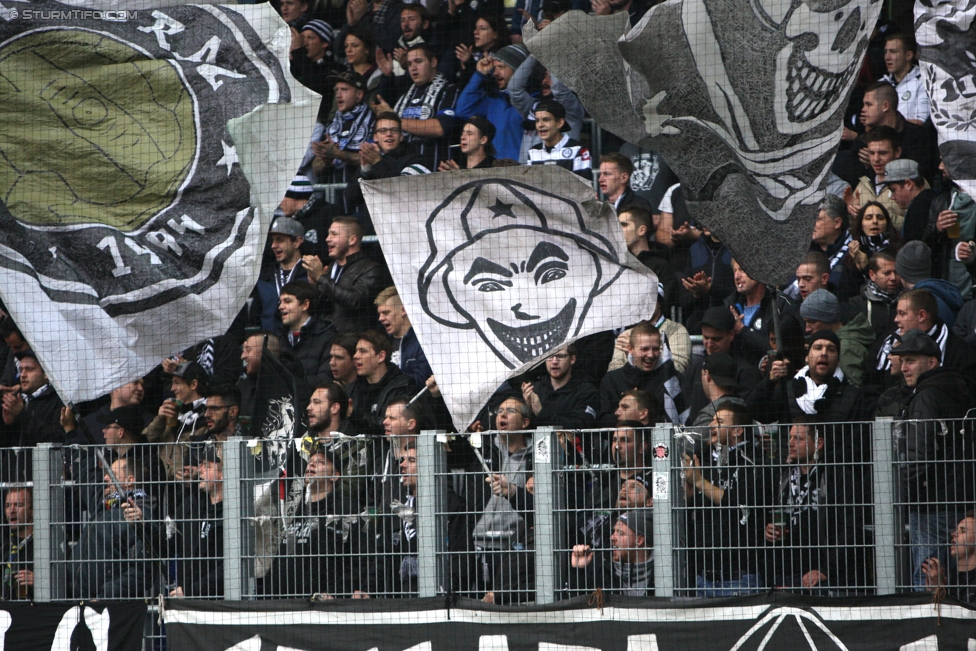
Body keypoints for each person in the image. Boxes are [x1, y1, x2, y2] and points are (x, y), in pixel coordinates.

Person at [890, 329, 973, 590]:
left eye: (911, 360)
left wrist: (911, 496)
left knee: (927, 577)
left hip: (931, 503)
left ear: (932, 362)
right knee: (951, 577)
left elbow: (918, 456)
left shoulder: (926, 396)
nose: (904, 368)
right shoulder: (956, 390)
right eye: (902, 361)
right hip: (957, 497)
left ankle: (930, 629)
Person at [764, 418, 864, 593]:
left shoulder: (836, 476)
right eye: (790, 437)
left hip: (825, 577)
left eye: (798, 439)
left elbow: (850, 527)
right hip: (788, 572)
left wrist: (826, 570)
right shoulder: (785, 477)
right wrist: (769, 531)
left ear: (818, 443)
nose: (790, 443)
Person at [682, 404, 763, 597]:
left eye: (719, 422)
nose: (711, 425)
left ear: (738, 430)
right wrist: (690, 489)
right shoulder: (706, 461)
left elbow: (739, 505)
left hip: (739, 576)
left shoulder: (753, 461)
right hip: (704, 576)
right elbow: (694, 509)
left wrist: (700, 482)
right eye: (712, 420)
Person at [266, 448, 360, 598]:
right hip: (281, 598)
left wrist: (337, 592)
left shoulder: (344, 508)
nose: (312, 465)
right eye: (310, 462)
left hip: (322, 601)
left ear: (335, 476)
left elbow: (355, 556)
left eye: (321, 462)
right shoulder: (293, 506)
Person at [470, 396, 534, 604]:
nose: (502, 415)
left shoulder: (537, 456)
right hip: (478, 545)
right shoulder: (483, 449)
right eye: (499, 411)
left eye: (510, 411)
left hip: (515, 548)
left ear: (525, 422)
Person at [73, 453, 156, 599]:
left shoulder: (140, 513)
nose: (105, 478)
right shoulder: (106, 505)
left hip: (109, 606)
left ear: (129, 481)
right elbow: (88, 477)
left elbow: (142, 571)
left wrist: (105, 595)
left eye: (112, 474)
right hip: (85, 600)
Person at [373, 43, 458, 168]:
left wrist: (396, 121)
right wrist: (387, 76)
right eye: (409, 64)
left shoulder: (448, 90)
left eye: (418, 61)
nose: (413, 68)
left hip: (433, 172)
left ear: (433, 62)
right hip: (403, 171)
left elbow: (439, 128)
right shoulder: (406, 93)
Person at [303, 217, 389, 334]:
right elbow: (322, 308)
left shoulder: (372, 269)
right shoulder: (330, 268)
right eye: (328, 234)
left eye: (334, 234)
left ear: (352, 240)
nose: (327, 239)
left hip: (353, 342)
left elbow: (354, 300)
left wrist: (321, 278)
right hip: (326, 340)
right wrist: (314, 285)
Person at [599, 322, 688, 427]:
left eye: (655, 349)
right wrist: (633, 418)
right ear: (630, 349)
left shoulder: (672, 379)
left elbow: (680, 417)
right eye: (644, 349)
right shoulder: (612, 380)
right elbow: (603, 420)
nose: (650, 355)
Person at [455, 44, 530, 161]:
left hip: (523, 171)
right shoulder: (493, 101)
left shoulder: (531, 102)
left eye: (501, 67)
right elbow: (462, 110)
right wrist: (480, 74)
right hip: (494, 169)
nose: (495, 73)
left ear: (518, 70)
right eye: (494, 68)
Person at [169, 446, 224, 598]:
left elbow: (229, 568)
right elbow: (165, 540)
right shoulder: (191, 504)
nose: (199, 470)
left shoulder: (234, 512)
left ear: (222, 474)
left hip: (219, 603)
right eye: (200, 465)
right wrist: (142, 522)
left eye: (207, 466)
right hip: (186, 601)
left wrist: (191, 591)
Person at [724, 258, 797, 366]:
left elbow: (785, 351)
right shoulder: (730, 304)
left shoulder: (781, 304)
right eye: (734, 271)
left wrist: (743, 331)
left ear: (759, 271)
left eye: (742, 270)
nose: (736, 276)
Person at [312, 71, 375, 194]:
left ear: (359, 95)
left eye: (344, 90)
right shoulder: (332, 126)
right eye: (337, 90)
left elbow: (372, 160)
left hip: (362, 198)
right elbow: (315, 168)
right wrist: (325, 159)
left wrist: (337, 153)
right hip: (334, 200)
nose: (338, 95)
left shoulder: (373, 122)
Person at [306, 381, 366, 509]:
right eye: (311, 402)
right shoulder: (303, 441)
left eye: (317, 402)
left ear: (334, 408)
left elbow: (351, 490)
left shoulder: (355, 446)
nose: (309, 407)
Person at [798, 289, 875, 388]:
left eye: (812, 321)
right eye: (806, 322)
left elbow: (852, 391)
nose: (807, 329)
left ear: (828, 318)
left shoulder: (846, 349)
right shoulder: (841, 341)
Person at [569, 509, 654, 596]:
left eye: (620, 533)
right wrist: (579, 569)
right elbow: (576, 605)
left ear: (639, 540)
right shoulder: (602, 570)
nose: (612, 538)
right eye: (614, 532)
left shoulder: (660, 575)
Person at [348, 330, 416, 436]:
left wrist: (354, 415)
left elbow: (393, 425)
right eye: (356, 351)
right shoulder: (352, 390)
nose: (355, 356)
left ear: (380, 356)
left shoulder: (403, 386)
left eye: (363, 351)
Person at [250, 216, 309, 332]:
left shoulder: (310, 274)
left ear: (297, 242)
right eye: (273, 240)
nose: (273, 245)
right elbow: (255, 318)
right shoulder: (264, 277)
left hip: (302, 342)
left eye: (280, 240)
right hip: (269, 344)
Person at [521, 344, 599, 429]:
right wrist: (528, 411)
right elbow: (524, 430)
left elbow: (580, 426)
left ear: (572, 359)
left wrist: (541, 412)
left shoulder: (586, 391)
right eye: (549, 356)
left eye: (561, 356)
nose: (554, 361)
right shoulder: (534, 389)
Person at [279, 280, 337, 393]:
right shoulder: (279, 337)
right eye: (280, 302)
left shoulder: (327, 335)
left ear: (305, 305)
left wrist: (293, 384)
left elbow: (326, 378)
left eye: (287, 301)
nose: (281, 306)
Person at [0, 351, 64, 448]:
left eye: (29, 369)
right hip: (13, 462)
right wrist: (7, 424)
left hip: (42, 462)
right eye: (21, 370)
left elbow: (55, 438)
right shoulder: (12, 400)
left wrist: (22, 414)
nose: (23, 375)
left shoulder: (58, 400)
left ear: (46, 374)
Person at [852, 127, 910, 231]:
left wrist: (880, 216)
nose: (876, 159)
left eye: (882, 153)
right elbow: (853, 230)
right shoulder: (863, 182)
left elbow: (916, 226)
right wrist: (849, 212)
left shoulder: (911, 183)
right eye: (871, 153)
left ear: (897, 152)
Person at [375, 286, 432, 387]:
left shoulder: (423, 341)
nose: (380, 318)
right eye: (379, 314)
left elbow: (422, 380)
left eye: (386, 312)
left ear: (403, 310)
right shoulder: (382, 343)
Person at [526, 99, 592, 180]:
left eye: (546, 120)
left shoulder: (579, 149)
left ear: (560, 123)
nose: (540, 125)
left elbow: (585, 188)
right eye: (537, 120)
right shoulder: (533, 152)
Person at [922, 511, 976, 604]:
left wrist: (939, 590)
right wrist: (936, 590)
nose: (954, 533)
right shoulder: (947, 577)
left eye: (963, 531)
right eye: (956, 530)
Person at [848, 250, 903, 340]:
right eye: (887, 273)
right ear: (872, 275)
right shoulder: (858, 304)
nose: (893, 278)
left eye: (896, 272)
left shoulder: (909, 301)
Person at [881, 33, 929, 125]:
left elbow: (920, 122)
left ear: (909, 55)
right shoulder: (882, 83)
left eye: (893, 51)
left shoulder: (923, 81)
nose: (887, 57)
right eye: (885, 52)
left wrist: (886, 125)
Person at [885, 159, 936, 242]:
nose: (892, 197)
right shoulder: (933, 197)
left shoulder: (919, 208)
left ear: (909, 184)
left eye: (893, 190)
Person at [845, 201, 902, 275]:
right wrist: (859, 268)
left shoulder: (899, 250)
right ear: (861, 224)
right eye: (869, 218)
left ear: (887, 223)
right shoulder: (854, 253)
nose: (875, 221)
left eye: (880, 218)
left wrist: (866, 266)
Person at [1, 488, 32, 600]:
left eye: (18, 505)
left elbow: (68, 581)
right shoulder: (4, 544)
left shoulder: (45, 545)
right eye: (8, 505)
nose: (12, 510)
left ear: (32, 510)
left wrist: (40, 582)